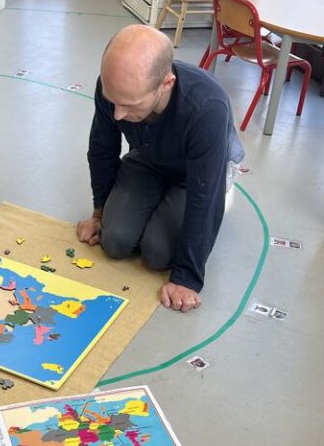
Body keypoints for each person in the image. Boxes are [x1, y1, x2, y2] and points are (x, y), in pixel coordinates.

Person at [76, 25, 244, 313]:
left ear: (165, 84)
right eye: (113, 102)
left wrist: (187, 277)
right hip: (149, 158)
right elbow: (102, 149)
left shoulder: (207, 107)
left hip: (199, 176)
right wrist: (99, 212)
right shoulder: (114, 87)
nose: (118, 114)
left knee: (157, 252)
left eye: (129, 105)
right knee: (114, 241)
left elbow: (205, 195)